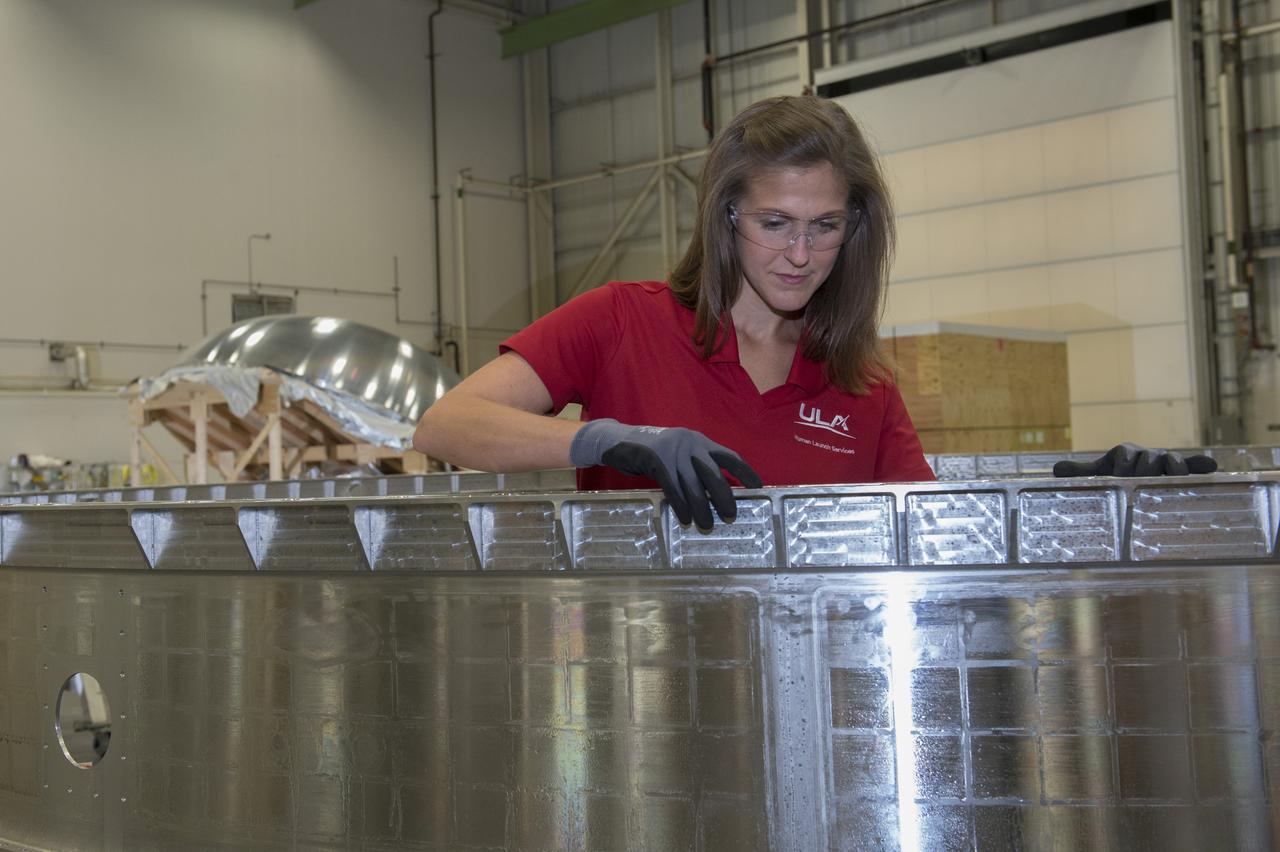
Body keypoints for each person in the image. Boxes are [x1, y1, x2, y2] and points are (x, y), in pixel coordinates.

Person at [414, 95, 1213, 529]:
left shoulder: (859, 387)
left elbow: (934, 533)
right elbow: (446, 424)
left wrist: (1075, 498)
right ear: (728, 217)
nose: (800, 254)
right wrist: (611, 438)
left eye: (825, 227)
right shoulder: (621, 320)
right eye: (775, 225)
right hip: (642, 693)